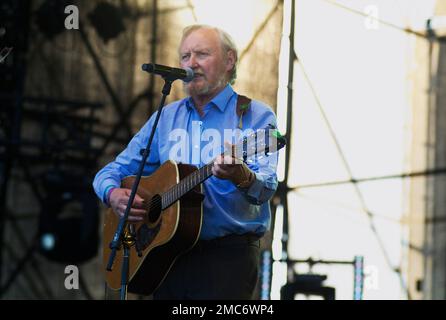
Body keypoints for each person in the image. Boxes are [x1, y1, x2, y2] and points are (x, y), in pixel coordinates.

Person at [93, 24, 279, 300]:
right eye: (184, 56)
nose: (191, 63)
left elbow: (266, 188)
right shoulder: (167, 117)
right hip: (167, 255)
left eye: (202, 54)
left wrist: (240, 174)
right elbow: (113, 170)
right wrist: (113, 194)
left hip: (227, 258)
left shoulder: (254, 116)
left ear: (229, 60)